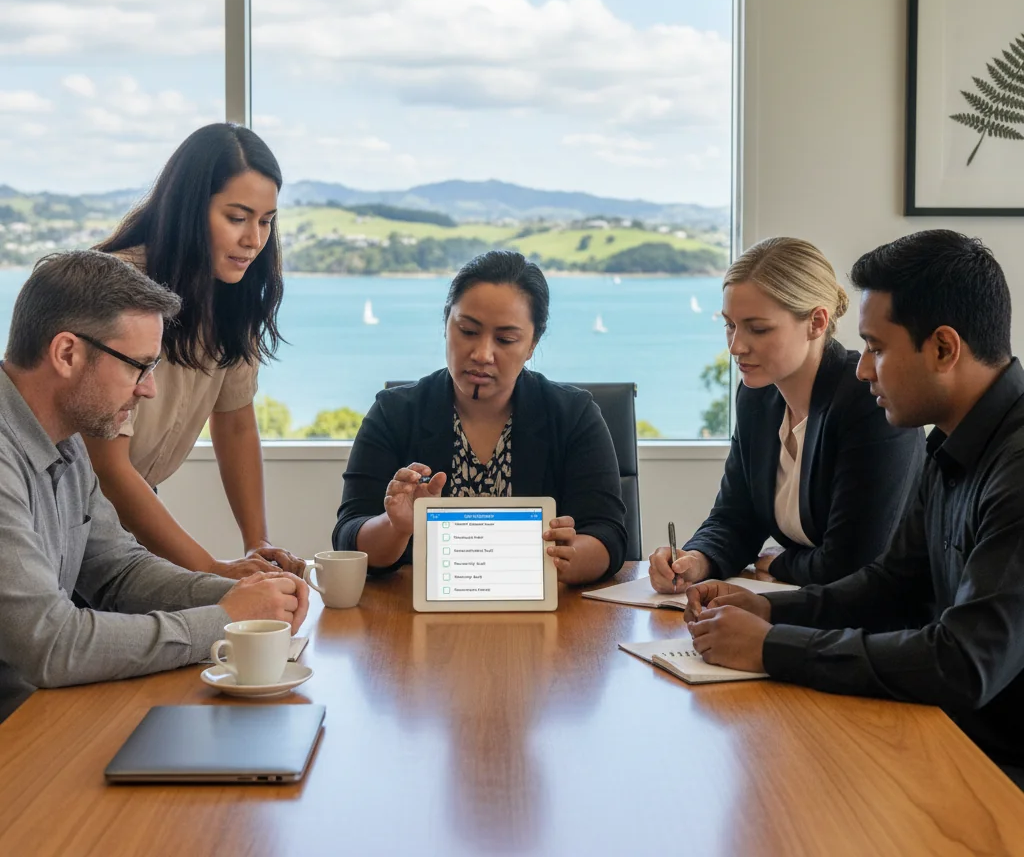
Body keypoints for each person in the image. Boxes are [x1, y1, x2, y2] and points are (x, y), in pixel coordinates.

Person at [683, 230, 1024, 785]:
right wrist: (768, 611)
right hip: (949, 735)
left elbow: (965, 663)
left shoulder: (1015, 467)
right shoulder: (951, 442)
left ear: (943, 349)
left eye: (877, 348)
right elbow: (892, 584)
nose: (863, 369)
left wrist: (772, 647)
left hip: (995, 765)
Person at [0, 251, 308, 721]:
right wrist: (226, 619)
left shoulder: (67, 440)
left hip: (39, 715)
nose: (149, 389)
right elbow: (51, 644)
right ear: (67, 354)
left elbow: (119, 571)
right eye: (137, 366)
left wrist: (246, 595)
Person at [86, 124, 303, 578]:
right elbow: (107, 468)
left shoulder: (233, 294)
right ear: (189, 209)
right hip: (67, 507)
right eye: (237, 217)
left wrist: (257, 543)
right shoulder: (116, 290)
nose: (254, 239)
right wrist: (211, 569)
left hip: (131, 505)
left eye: (266, 221)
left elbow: (236, 422)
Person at [333, 250, 627, 585]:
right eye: (468, 331)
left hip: (543, 608)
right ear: (446, 324)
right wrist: (396, 526)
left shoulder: (574, 415)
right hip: (415, 609)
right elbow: (348, 537)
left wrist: (568, 557)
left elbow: (609, 535)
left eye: (505, 339)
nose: (482, 354)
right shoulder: (394, 412)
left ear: (532, 344)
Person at [649, 237, 924, 592]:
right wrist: (696, 560)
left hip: (882, 614)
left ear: (816, 322)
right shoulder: (756, 397)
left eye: (758, 329)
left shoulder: (867, 400)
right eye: (730, 325)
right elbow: (735, 517)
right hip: (807, 606)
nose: (735, 346)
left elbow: (854, 562)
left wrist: (780, 562)